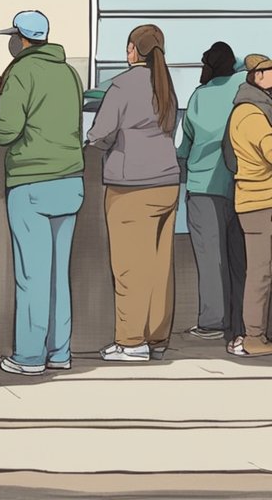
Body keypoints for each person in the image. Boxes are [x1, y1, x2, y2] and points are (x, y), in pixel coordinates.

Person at [0, 11, 85, 376]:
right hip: (70, 182)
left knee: (32, 274)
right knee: (58, 274)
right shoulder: (69, 73)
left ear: (22, 39)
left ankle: (29, 356)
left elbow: (4, 132)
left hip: (32, 183)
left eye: (13, 37)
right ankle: (59, 352)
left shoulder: (21, 73)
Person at [87, 24, 181, 363]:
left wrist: (98, 141)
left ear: (131, 50)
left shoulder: (123, 84)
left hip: (131, 186)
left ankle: (130, 342)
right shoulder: (166, 85)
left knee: (129, 266)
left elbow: (101, 132)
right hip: (168, 182)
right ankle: (156, 338)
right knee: (159, 267)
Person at [177, 42, 245, 350]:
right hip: (239, 183)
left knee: (210, 257)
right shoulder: (242, 85)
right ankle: (241, 320)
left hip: (203, 186)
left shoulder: (198, 97)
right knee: (241, 257)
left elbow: (184, 146)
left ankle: (213, 322)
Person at [224, 54, 272, 357]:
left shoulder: (255, 109)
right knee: (260, 272)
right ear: (255, 75)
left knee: (260, 271)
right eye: (268, 71)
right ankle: (253, 338)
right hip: (259, 202)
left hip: (256, 200)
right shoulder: (251, 114)